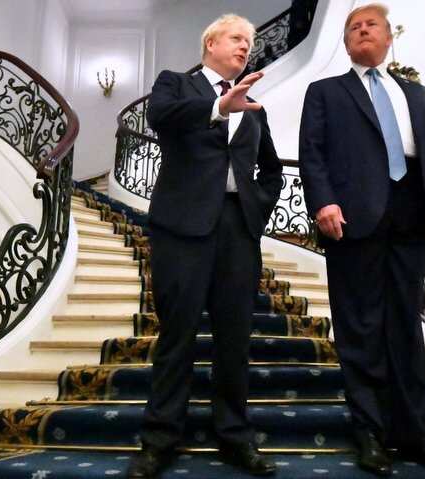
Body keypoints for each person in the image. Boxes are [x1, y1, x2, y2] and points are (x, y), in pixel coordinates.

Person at [298, 4, 425, 477]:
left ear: (389, 37)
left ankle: (417, 437)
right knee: (360, 329)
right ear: (347, 42)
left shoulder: (415, 93)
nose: (361, 30)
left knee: (407, 330)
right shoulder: (326, 91)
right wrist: (323, 202)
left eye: (370, 24)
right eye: (353, 27)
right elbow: (311, 152)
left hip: (411, 216)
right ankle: (369, 435)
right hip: (353, 219)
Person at [128, 13, 283, 479]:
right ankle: (159, 440)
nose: (245, 47)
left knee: (235, 339)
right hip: (182, 229)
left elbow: (271, 168)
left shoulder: (254, 105)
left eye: (250, 42)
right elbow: (160, 118)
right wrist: (219, 108)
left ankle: (235, 437)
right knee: (177, 337)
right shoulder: (176, 83)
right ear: (210, 42)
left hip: (238, 231)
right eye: (237, 38)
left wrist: (258, 207)